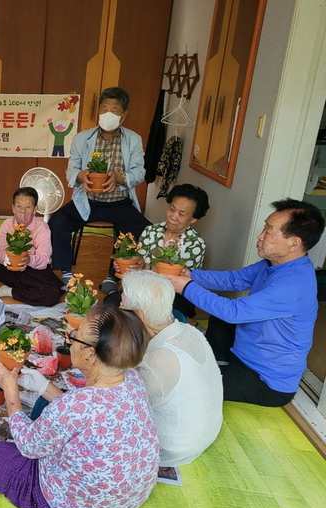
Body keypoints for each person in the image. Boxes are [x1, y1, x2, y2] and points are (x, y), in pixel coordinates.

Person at [0, 305, 159, 508]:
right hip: (123, 501)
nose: (70, 340)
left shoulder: (73, 406)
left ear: (90, 354)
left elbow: (28, 446)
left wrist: (10, 390)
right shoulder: (133, 379)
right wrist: (45, 386)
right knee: (46, 403)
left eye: (76, 337)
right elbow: (86, 415)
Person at [166, 199, 326, 407]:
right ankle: (218, 365)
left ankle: (217, 369)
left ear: (294, 243)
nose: (260, 236)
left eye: (269, 231)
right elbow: (234, 279)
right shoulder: (273, 264)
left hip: (264, 380)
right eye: (264, 227)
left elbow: (234, 312)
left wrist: (186, 286)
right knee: (219, 314)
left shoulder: (293, 284)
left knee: (183, 385)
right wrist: (190, 275)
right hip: (242, 352)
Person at [49, 87, 150, 284]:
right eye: (104, 109)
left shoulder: (133, 140)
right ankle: (66, 273)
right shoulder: (82, 138)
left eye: (114, 110)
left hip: (119, 203)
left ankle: (113, 277)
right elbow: (71, 169)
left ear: (124, 114)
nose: (108, 114)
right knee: (57, 222)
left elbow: (140, 172)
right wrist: (80, 175)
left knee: (145, 230)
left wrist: (120, 178)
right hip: (87, 201)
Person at [121, 270, 222, 467]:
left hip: (175, 447)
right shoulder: (191, 331)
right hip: (207, 432)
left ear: (138, 315)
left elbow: (128, 410)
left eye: (122, 304)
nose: (119, 307)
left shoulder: (158, 361)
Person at [106, 183, 210, 319]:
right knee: (111, 303)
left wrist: (148, 267)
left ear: (193, 219)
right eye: (172, 209)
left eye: (181, 214)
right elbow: (139, 262)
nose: (173, 216)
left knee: (154, 313)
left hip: (173, 297)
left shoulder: (195, 244)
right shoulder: (151, 231)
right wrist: (127, 266)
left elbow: (181, 282)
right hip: (143, 289)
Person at [0, 186, 63, 306]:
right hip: (8, 269)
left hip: (30, 271)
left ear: (35, 209)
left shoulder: (42, 228)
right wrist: (5, 257)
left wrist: (29, 260)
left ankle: (9, 291)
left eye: (28, 207)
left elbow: (44, 259)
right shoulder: (7, 224)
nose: (23, 211)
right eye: (19, 206)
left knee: (51, 294)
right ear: (13, 208)